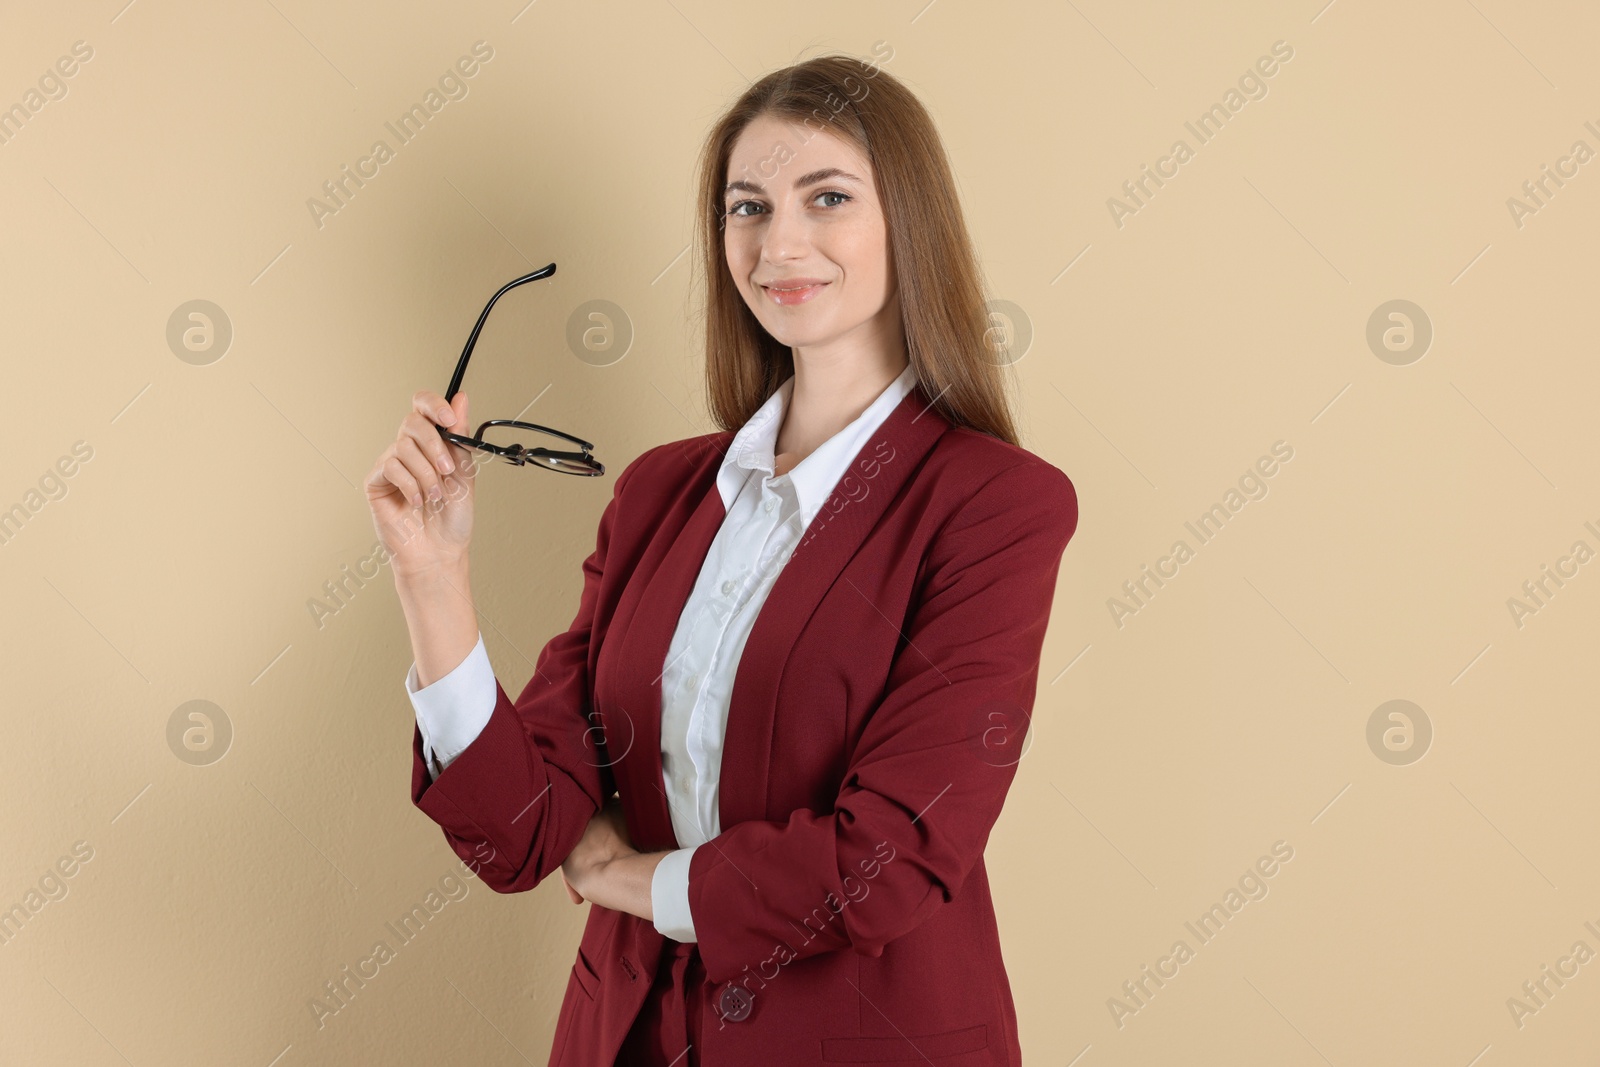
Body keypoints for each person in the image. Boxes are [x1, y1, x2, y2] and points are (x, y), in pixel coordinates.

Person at [365, 53, 1079, 1067]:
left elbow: (890, 855)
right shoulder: (658, 492)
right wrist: (431, 581)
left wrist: (633, 879)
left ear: (905, 221)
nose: (778, 241)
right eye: (746, 207)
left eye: (825, 197)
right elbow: (522, 832)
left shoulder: (995, 503)